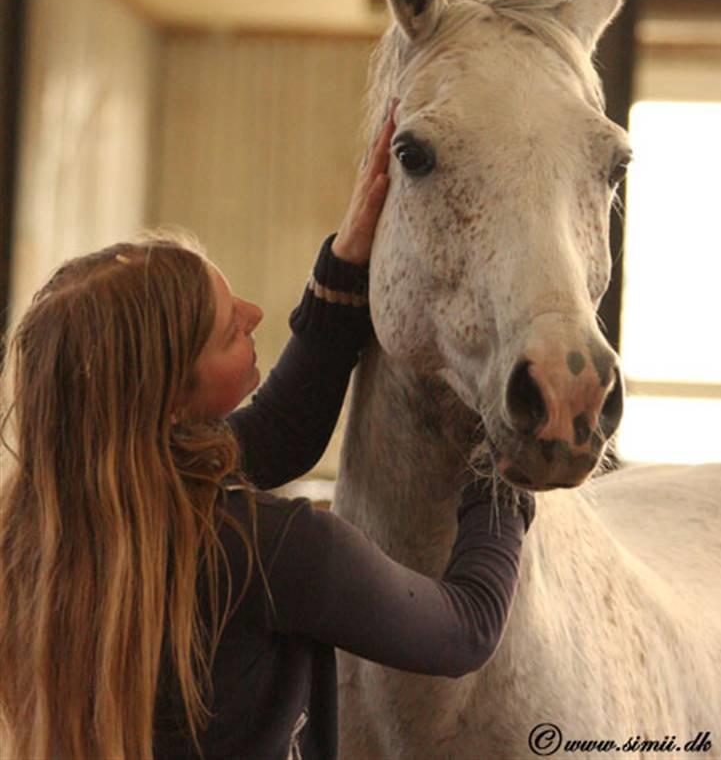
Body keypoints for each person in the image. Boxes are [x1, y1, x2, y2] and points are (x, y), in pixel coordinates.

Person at [0, 107, 534, 760]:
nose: (255, 314)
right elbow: (463, 630)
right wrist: (500, 478)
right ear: (171, 400)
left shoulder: (37, 532)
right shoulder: (268, 550)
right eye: (229, 329)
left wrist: (342, 269)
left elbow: (277, 433)